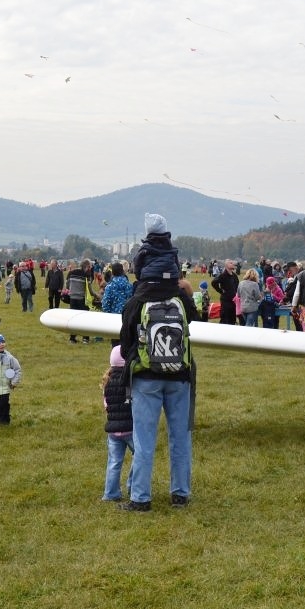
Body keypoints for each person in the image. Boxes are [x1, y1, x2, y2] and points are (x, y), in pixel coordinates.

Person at [118, 214, 199, 512]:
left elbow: (125, 339)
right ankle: (180, 494)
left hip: (145, 377)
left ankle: (141, 498)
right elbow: (194, 322)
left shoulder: (138, 298)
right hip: (180, 376)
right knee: (180, 438)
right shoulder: (179, 296)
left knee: (144, 439)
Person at [101, 344, 134, 501]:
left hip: (113, 431)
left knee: (114, 462)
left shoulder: (107, 382)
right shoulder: (131, 381)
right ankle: (133, 486)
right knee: (140, 456)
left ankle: (110, 493)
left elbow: (106, 405)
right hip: (130, 428)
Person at [65, 259, 90, 344]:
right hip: (81, 299)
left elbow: (67, 285)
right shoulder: (86, 275)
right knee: (84, 319)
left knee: (73, 318)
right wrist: (97, 295)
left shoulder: (71, 273)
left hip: (72, 298)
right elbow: (88, 289)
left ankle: (72, 338)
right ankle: (85, 338)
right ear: (86, 267)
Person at [211, 259, 239, 325]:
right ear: (226, 265)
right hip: (226, 301)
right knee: (225, 319)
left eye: (233, 263)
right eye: (231, 263)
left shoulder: (234, 276)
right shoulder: (223, 275)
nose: (233, 264)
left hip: (234, 301)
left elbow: (237, 286)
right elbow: (214, 282)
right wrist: (220, 290)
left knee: (233, 318)